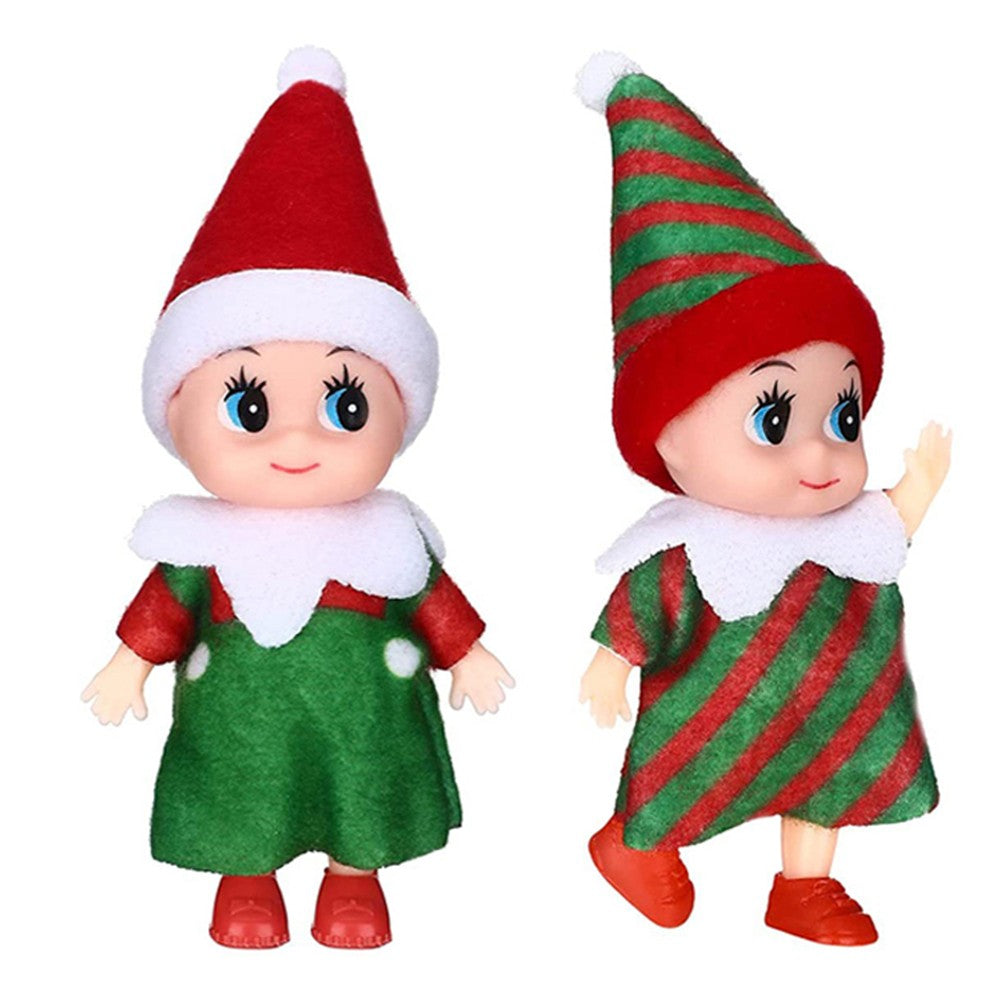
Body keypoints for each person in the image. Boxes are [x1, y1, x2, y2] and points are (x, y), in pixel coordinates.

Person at [576, 53, 950, 946]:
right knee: (683, 771)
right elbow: (642, 606)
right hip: (712, 709)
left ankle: (803, 886)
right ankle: (637, 843)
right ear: (671, 440)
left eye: (844, 415)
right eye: (773, 419)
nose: (822, 451)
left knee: (829, 777)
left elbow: (886, 534)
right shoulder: (690, 549)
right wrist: (609, 662)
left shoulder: (850, 527)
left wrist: (919, 488)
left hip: (832, 710)